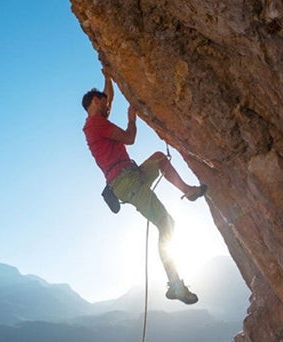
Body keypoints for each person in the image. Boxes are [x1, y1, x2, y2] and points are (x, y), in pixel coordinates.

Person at [81, 69, 207, 304]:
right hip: (126, 182)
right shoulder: (95, 125)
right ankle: (175, 285)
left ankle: (188, 191)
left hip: (130, 175)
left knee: (160, 157)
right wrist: (131, 120)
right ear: (95, 102)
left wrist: (108, 79)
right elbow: (129, 138)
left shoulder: (96, 121)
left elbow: (107, 97)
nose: (109, 108)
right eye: (105, 104)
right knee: (166, 222)